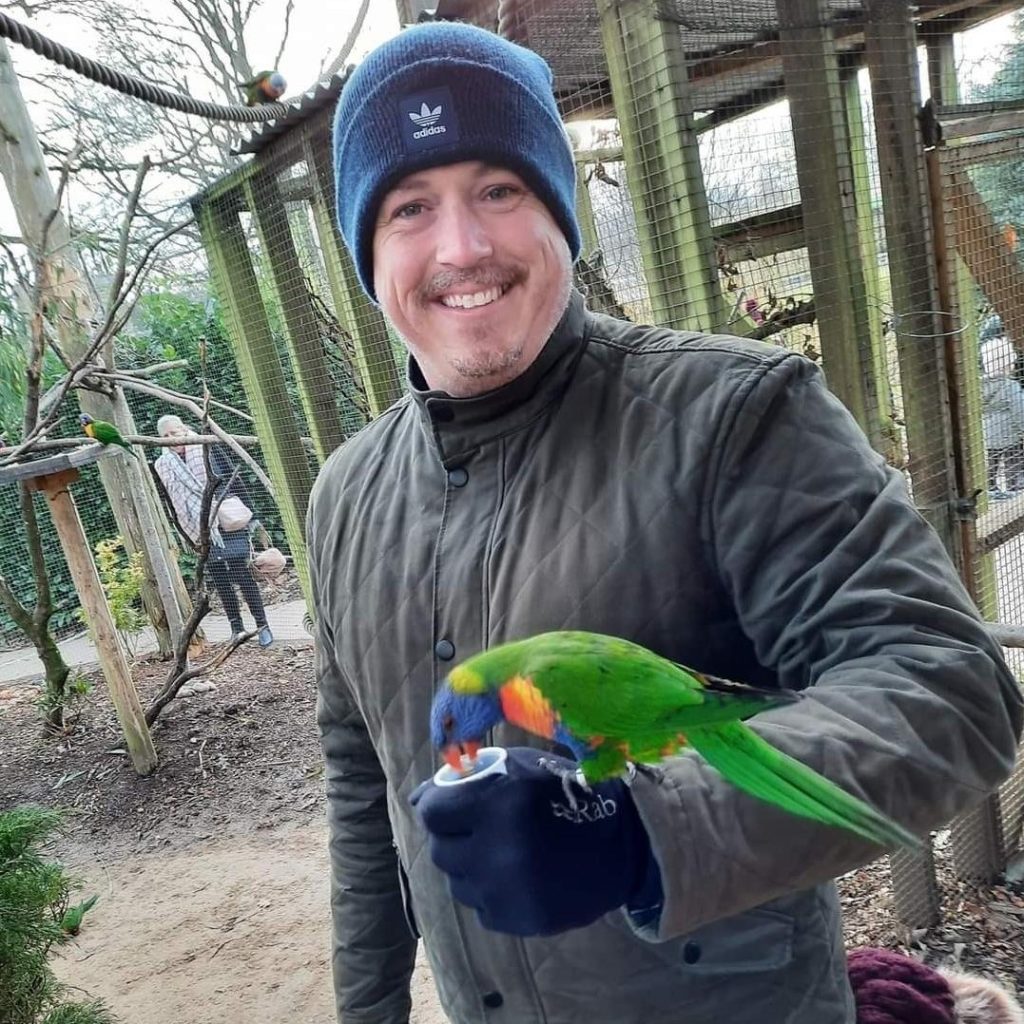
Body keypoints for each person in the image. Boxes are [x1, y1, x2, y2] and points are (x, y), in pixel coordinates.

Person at [308, 22, 1022, 1024]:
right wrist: (368, 1007)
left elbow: (952, 689)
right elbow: (363, 787)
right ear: (366, 250)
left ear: (562, 212)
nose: (460, 246)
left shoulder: (737, 415)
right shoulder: (344, 496)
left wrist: (645, 831)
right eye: (410, 207)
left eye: (499, 190)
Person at [154, 414, 273, 648]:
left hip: (227, 520)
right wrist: (183, 532)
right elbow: (168, 501)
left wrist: (253, 518)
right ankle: (236, 629)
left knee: (242, 572)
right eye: (165, 436)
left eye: (175, 433)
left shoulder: (206, 445)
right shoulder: (162, 465)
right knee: (219, 577)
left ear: (184, 429)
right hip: (198, 528)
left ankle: (263, 626)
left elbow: (234, 478)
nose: (172, 439)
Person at [980, 315, 1024, 498]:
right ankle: (1016, 487)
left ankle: (990, 488)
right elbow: (1018, 409)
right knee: (1014, 459)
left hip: (988, 434)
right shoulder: (1009, 385)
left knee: (992, 462)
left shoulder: (979, 386)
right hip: (1010, 434)